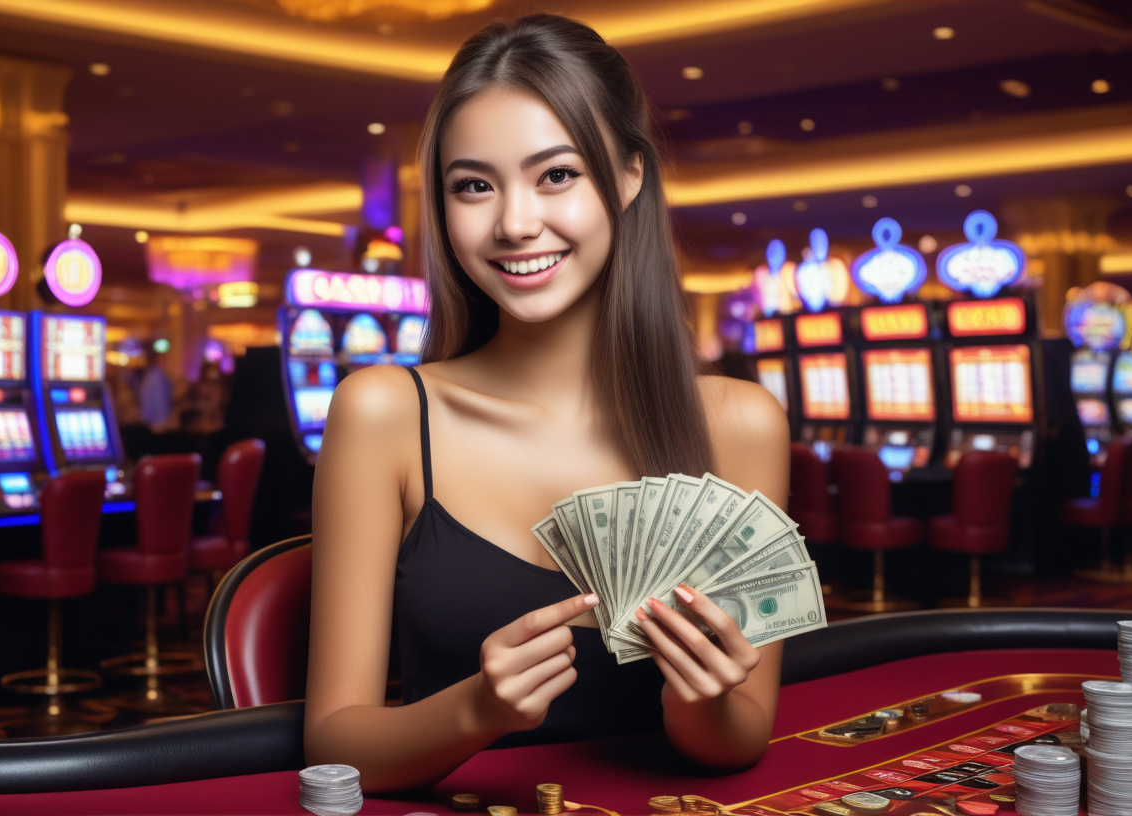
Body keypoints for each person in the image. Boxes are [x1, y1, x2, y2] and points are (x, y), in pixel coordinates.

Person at [304, 14, 789, 793]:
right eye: (474, 185)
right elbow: (335, 745)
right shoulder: (385, 413)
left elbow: (735, 743)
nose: (515, 222)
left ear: (629, 175)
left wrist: (705, 695)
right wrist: (480, 707)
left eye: (555, 174)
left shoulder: (737, 424)